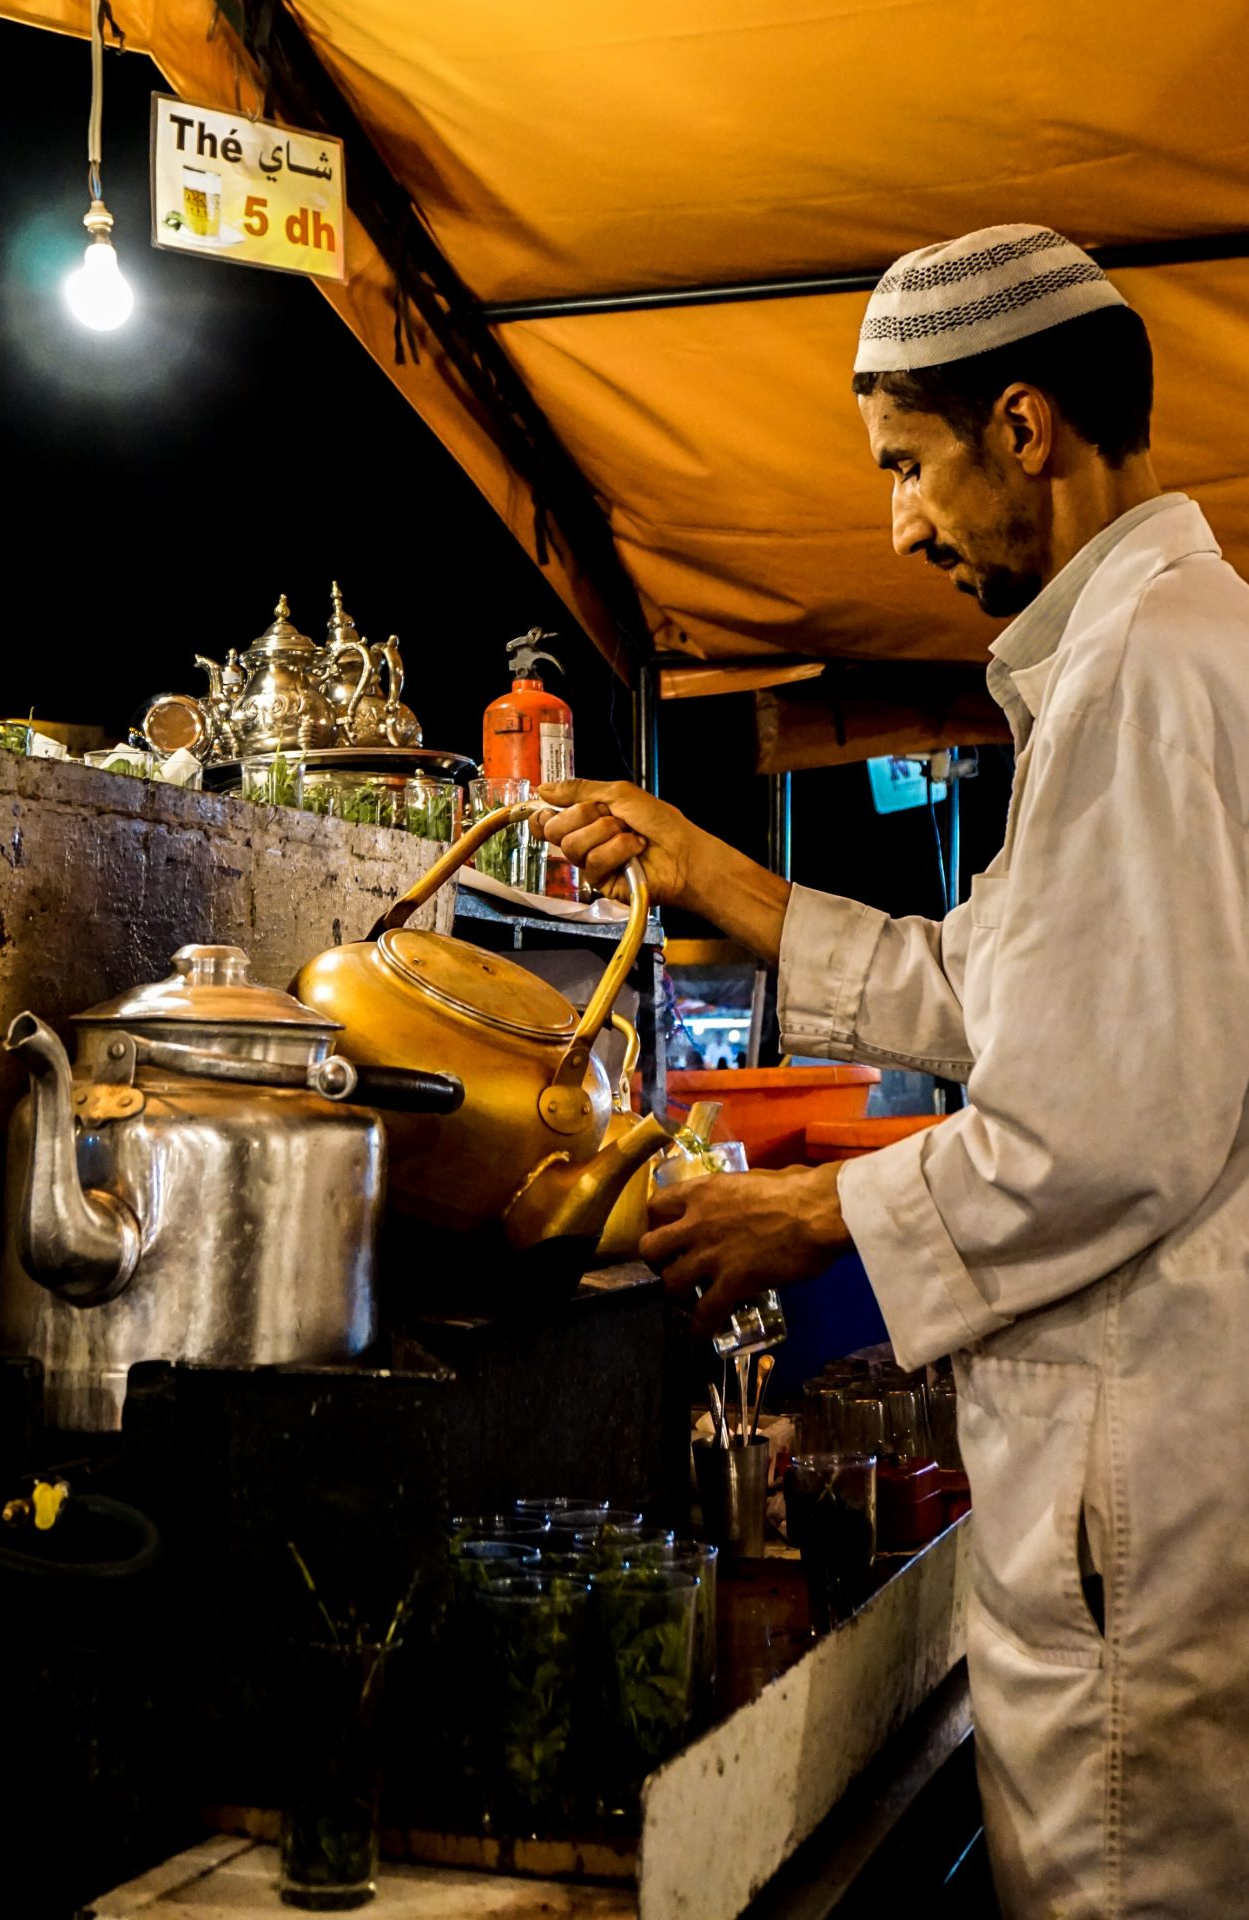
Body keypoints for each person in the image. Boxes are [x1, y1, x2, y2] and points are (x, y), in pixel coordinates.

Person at [536, 225, 1249, 1919]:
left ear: (1023, 427)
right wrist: (723, 878)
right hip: (1133, 1480)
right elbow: (1006, 989)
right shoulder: (1139, 653)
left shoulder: (1152, 670)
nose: (900, 523)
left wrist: (812, 1211)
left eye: (908, 465)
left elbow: (1100, 1126)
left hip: (1139, 1497)